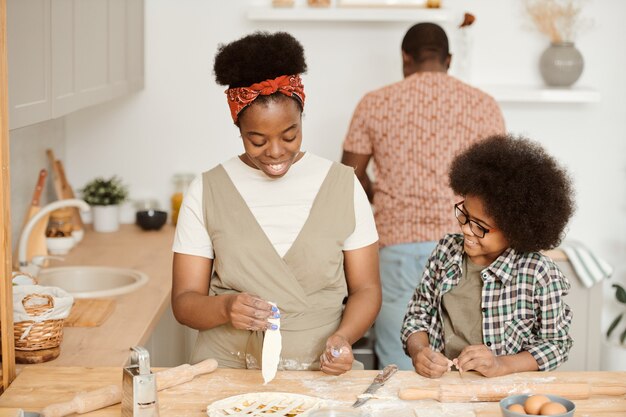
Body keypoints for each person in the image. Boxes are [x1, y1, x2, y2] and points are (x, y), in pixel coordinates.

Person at [171, 31, 381, 376]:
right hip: (225, 371)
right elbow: (184, 302)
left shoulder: (343, 186)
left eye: (290, 135)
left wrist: (343, 338)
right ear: (238, 127)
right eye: (257, 139)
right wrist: (225, 309)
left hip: (319, 372)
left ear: (301, 118)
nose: (275, 152)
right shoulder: (207, 189)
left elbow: (367, 288)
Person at [341, 22, 506, 370]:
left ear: (406, 58)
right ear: (449, 59)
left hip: (395, 247)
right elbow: (499, 181)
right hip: (466, 248)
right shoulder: (483, 105)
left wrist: (378, 193)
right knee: (465, 364)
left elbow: (350, 176)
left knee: (399, 365)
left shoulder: (374, 103)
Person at [401, 134, 575, 378]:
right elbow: (417, 317)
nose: (465, 229)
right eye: (464, 215)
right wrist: (419, 351)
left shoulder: (538, 273)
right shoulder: (446, 252)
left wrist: (501, 365)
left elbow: (556, 345)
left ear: (516, 230)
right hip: (447, 386)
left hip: (507, 391)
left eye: (480, 226)